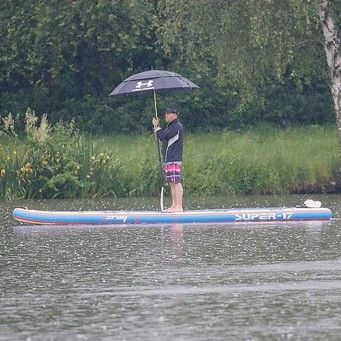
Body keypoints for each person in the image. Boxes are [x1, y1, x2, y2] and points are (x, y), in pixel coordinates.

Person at [152, 107, 184, 212]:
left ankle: (179, 206)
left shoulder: (176, 126)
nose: (165, 115)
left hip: (174, 158)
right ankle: (174, 205)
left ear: (174, 115)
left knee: (176, 181)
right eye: (165, 113)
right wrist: (156, 128)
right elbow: (163, 136)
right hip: (169, 159)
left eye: (168, 113)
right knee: (171, 182)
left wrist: (156, 126)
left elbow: (164, 136)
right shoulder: (170, 127)